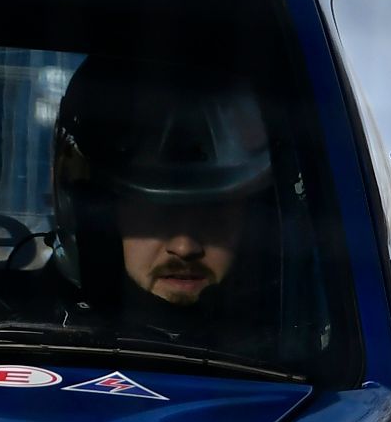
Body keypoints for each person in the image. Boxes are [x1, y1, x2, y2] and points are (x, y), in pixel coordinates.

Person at [50, 56, 274, 348]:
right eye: (158, 210)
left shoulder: (308, 345)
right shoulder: (23, 338)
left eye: (214, 211)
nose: (185, 247)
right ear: (94, 209)